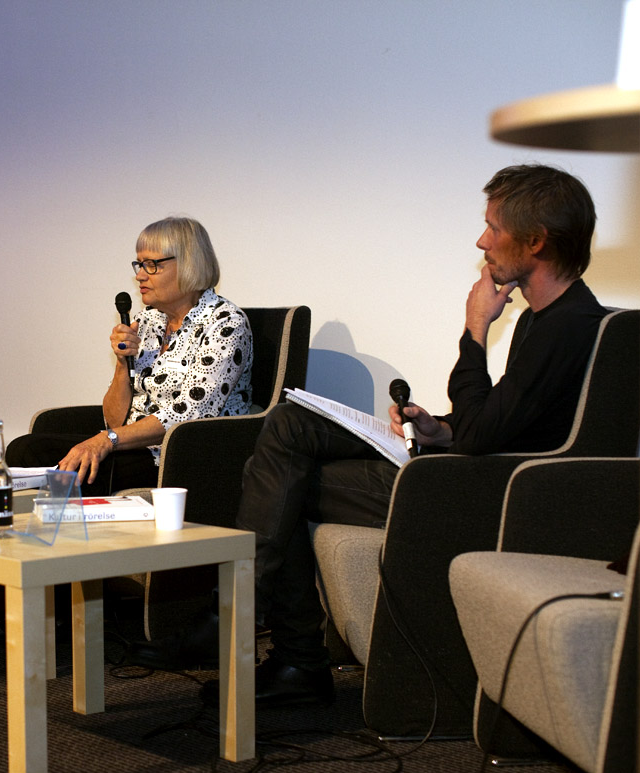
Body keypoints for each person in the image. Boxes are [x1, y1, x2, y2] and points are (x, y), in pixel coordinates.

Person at [130, 164, 609, 710]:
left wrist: (475, 329)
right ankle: (271, 644)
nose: (482, 241)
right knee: (288, 428)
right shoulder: (548, 320)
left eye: (494, 228)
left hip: (481, 493)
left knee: (278, 479)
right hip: (467, 468)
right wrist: (440, 428)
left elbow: (485, 436)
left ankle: (272, 642)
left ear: (536, 241)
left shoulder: (567, 326)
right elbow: (498, 421)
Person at [0, 216, 255, 645]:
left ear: (189, 264)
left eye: (152, 264)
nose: (141, 275)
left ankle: (54, 618)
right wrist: (122, 364)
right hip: (134, 446)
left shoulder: (225, 323)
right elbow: (115, 418)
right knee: (28, 450)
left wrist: (107, 442)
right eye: (138, 264)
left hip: (183, 460)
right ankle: (31, 601)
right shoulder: (148, 322)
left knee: (77, 472)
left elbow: (184, 418)